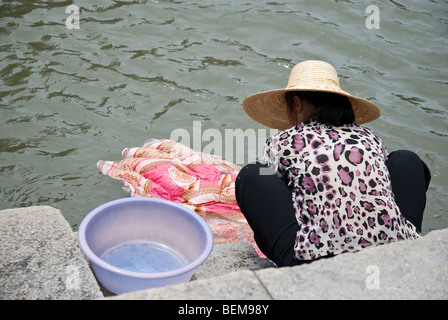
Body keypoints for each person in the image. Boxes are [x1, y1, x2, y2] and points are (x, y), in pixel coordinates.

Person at [236, 60, 431, 267]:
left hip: (317, 262)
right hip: (395, 251)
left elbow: (285, 201)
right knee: (406, 159)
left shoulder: (283, 143)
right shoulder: (369, 137)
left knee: (252, 175)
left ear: (296, 104)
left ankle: (296, 266)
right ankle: (402, 241)